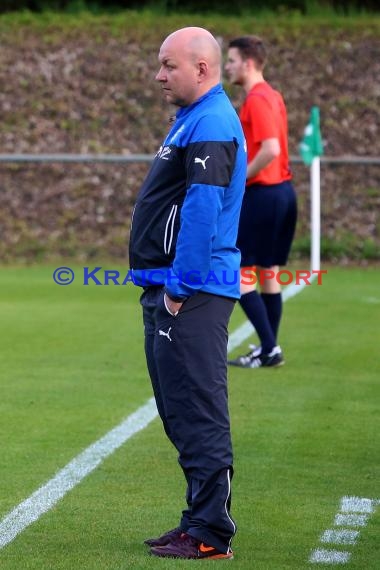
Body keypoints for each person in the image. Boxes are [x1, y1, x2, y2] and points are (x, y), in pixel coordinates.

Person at [128, 27, 247, 560]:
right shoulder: (193, 119)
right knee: (178, 407)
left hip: (190, 292)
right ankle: (196, 518)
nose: (159, 75)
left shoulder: (213, 121)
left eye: (167, 65)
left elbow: (203, 210)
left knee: (197, 408)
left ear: (201, 68)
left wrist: (179, 287)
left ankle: (210, 532)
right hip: (171, 289)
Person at [224, 35, 297, 369]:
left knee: (236, 271)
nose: (228, 66)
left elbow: (270, 149)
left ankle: (269, 347)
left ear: (247, 63)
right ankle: (269, 349)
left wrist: (240, 179)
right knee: (268, 272)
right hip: (281, 192)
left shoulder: (257, 98)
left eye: (231, 60)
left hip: (264, 193)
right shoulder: (273, 96)